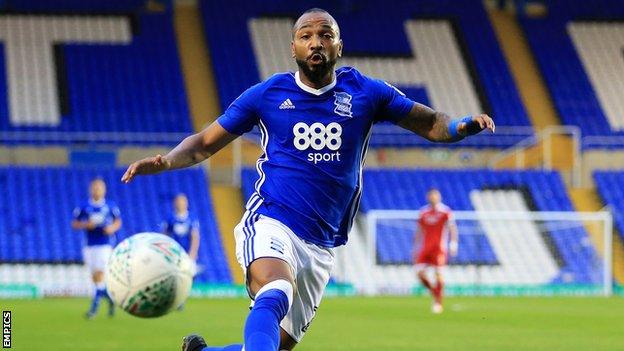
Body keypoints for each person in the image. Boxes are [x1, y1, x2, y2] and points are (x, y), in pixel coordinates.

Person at [121, 8, 494, 351]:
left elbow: (430, 122)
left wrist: (461, 125)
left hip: (321, 243)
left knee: (278, 345)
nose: (316, 41)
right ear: (294, 47)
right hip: (272, 220)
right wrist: (167, 162)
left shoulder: (367, 92)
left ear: (339, 45)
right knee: (276, 287)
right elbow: (204, 143)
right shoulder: (268, 94)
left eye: (325, 34)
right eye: (306, 35)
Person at [71, 178, 122, 319]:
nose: (97, 190)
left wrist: (112, 228)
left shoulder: (110, 206)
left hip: (105, 245)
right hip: (89, 245)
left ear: (104, 190)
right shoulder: (84, 206)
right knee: (95, 278)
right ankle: (110, 299)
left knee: (100, 274)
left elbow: (118, 221)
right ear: (91, 189)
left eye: (100, 188)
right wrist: (85, 225)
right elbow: (74, 223)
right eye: (95, 188)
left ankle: (94, 308)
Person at [414, 188, 458, 314]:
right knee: (419, 273)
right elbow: (419, 231)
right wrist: (416, 247)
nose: (433, 197)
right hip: (426, 248)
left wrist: (453, 244)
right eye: (431, 195)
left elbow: (452, 228)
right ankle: (435, 292)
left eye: (435, 195)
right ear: (428, 197)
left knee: (438, 274)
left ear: (439, 197)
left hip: (439, 248)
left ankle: (438, 302)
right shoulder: (423, 213)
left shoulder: (445, 212)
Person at [161, 193, 200, 261]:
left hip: (187, 252)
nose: (181, 204)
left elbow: (195, 237)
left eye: (183, 201)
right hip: (174, 252)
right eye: (178, 201)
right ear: (175, 203)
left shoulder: (192, 218)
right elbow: (164, 235)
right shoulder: (170, 218)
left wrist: (193, 253)